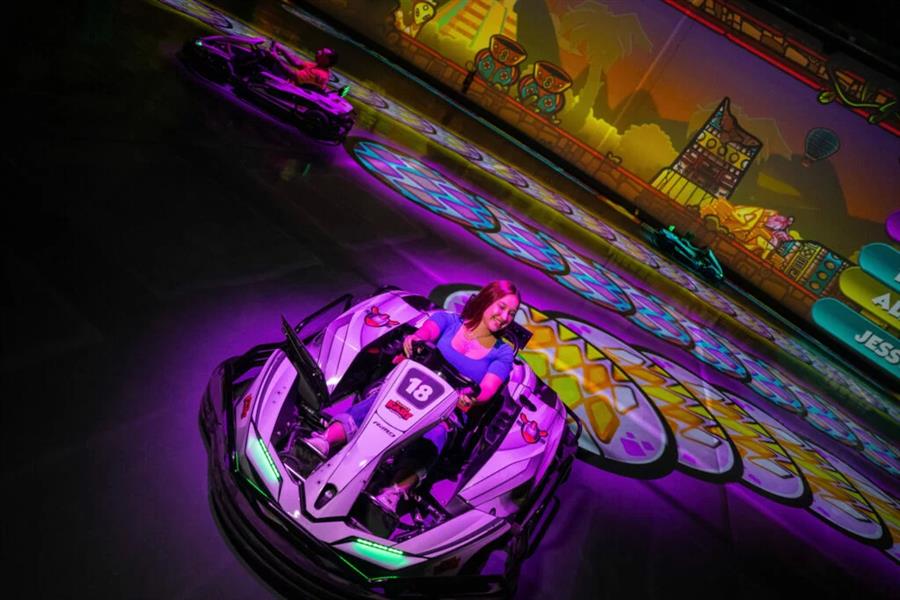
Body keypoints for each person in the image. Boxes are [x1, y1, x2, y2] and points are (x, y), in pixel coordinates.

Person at [302, 280, 521, 512]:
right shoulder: (448, 321)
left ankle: (395, 492)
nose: (505, 317)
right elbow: (426, 332)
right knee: (379, 403)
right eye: (502, 307)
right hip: (409, 388)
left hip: (450, 409)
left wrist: (470, 396)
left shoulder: (502, 353)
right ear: (486, 300)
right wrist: (416, 340)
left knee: (436, 435)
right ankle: (324, 441)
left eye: (511, 313)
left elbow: (487, 389)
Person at [270, 41, 337, 91]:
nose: (318, 51)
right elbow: (297, 63)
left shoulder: (319, 73)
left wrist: (276, 58)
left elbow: (292, 75)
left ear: (326, 61)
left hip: (291, 89)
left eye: (322, 53)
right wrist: (281, 49)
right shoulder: (318, 66)